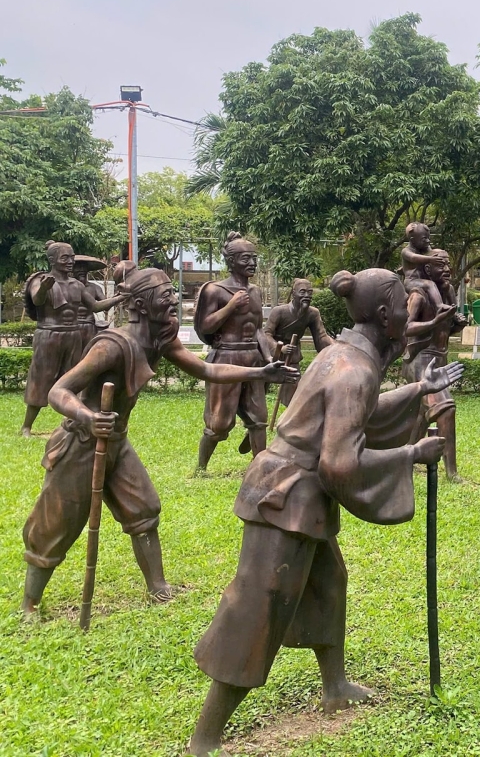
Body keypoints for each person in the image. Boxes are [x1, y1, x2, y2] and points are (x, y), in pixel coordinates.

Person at [186, 268, 463, 756]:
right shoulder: (354, 370)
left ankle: (334, 687)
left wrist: (420, 389)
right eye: (404, 306)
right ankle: (204, 738)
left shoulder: (341, 353)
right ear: (385, 315)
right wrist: (411, 454)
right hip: (285, 498)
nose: (409, 314)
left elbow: (358, 414)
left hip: (297, 497)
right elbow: (340, 462)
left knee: (329, 583)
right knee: (258, 609)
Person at [20, 262, 298, 616]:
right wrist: (89, 418)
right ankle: (30, 603)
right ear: (139, 304)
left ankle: (158, 587)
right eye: (165, 295)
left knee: (144, 508)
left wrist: (261, 371)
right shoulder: (112, 346)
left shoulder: (159, 339)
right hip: (80, 443)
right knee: (57, 521)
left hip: (116, 442)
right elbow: (59, 391)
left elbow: (207, 369)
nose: (173, 301)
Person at [21, 241, 127, 436]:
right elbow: (37, 300)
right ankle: (27, 426)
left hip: (73, 334)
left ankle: (75, 422)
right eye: (65, 258)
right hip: (49, 334)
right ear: (52, 260)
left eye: (71, 257)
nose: (71, 261)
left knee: (74, 378)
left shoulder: (76, 285)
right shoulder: (41, 280)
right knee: (41, 378)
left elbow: (95, 306)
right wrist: (44, 288)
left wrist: (120, 298)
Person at [193, 231, 275, 471]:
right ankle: (201, 469)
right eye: (245, 258)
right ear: (231, 261)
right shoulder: (215, 290)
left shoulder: (256, 291)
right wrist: (231, 306)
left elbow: (258, 329)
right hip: (226, 357)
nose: (252, 263)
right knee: (218, 423)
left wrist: (269, 358)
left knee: (259, 419)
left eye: (254, 258)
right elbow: (205, 326)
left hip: (253, 358)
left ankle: (259, 469)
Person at [401, 249, 466, 478]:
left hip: (439, 358)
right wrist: (434, 321)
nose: (447, 269)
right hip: (421, 360)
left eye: (448, 264)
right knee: (446, 408)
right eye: (441, 265)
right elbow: (405, 328)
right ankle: (451, 473)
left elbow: (447, 328)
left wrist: (457, 324)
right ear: (428, 269)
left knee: (421, 413)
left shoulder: (448, 292)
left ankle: (404, 459)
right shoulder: (419, 295)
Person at [264, 278, 335, 409]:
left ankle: (290, 416)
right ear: (294, 293)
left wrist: (335, 348)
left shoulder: (313, 314)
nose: (307, 296)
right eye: (302, 292)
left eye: (310, 292)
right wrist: (280, 348)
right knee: (260, 389)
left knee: (294, 392)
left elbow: (321, 336)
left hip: (292, 356)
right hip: (272, 354)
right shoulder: (279, 311)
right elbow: (266, 334)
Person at [73, 256, 111, 348]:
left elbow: (106, 306)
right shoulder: (68, 287)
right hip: (72, 326)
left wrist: (116, 298)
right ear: (72, 269)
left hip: (89, 325)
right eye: (78, 267)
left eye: (84, 267)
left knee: (89, 351)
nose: (82, 270)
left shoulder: (94, 288)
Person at [399, 222, 441, 304]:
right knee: (430, 284)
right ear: (412, 240)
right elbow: (413, 258)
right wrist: (430, 259)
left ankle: (453, 309)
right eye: (424, 239)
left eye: (428, 238)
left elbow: (432, 253)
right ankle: (439, 306)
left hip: (423, 280)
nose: (428, 241)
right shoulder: (406, 251)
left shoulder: (424, 249)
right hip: (411, 282)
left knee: (446, 286)